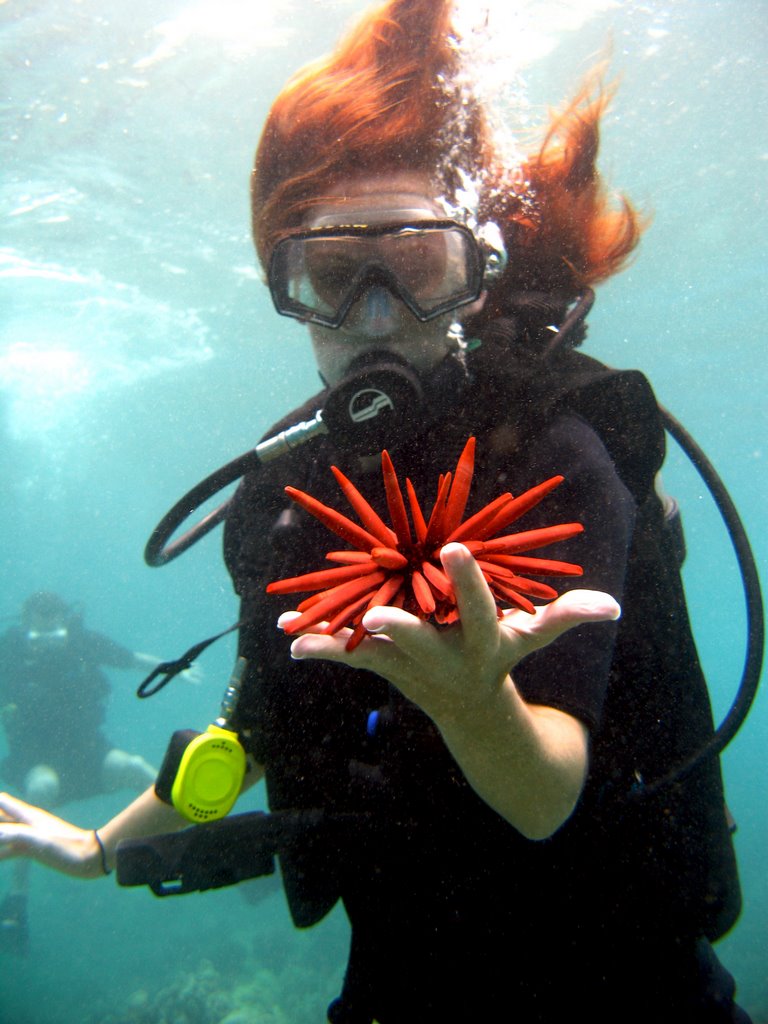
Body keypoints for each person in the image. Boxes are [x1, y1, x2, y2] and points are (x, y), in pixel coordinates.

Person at [0, 1, 750, 1019]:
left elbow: (544, 797)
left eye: (417, 267)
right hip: (403, 973)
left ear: (478, 275)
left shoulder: (561, 449)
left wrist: (477, 704)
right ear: (285, 287)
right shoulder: (283, 495)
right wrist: (98, 846)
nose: (378, 318)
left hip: (623, 972)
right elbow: (259, 719)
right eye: (334, 278)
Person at [0, 591, 161, 954]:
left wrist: (176, 665)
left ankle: (197, 837)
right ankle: (16, 897)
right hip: (36, 755)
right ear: (26, 621)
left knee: (137, 768)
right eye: (41, 623)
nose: (50, 628)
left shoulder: (81, 641)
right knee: (40, 789)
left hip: (88, 752)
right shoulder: (8, 653)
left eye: (55, 621)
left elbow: (129, 659)